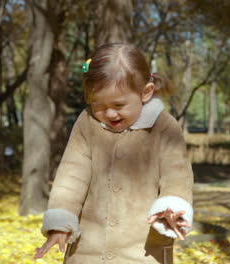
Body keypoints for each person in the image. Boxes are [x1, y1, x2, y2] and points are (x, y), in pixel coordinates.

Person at [34, 43, 194, 264]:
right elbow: (71, 175)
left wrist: (172, 208)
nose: (109, 113)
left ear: (145, 92)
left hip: (141, 252)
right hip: (88, 250)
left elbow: (177, 174)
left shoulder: (163, 127)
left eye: (119, 104)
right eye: (98, 104)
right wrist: (61, 221)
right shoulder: (87, 123)